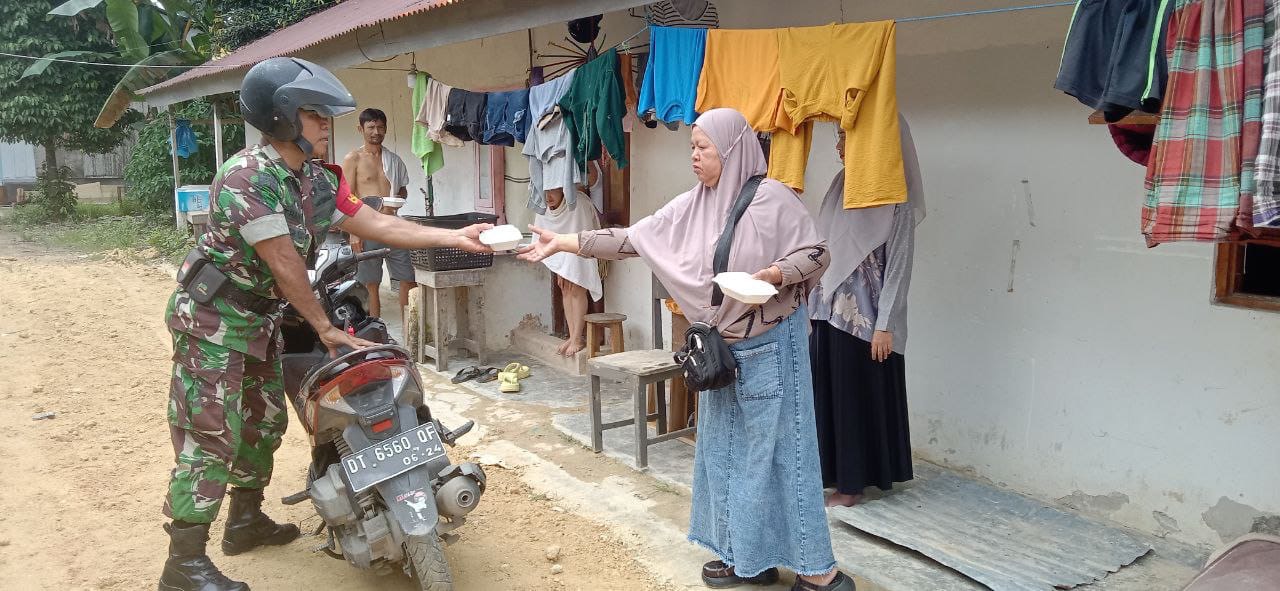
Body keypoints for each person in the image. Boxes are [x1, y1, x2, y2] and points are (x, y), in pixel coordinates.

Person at [159, 57, 491, 591]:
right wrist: (325, 328)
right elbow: (286, 263)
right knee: (212, 435)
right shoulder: (248, 177)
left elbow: (377, 222)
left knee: (264, 424)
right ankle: (183, 564)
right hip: (213, 321)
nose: (324, 124)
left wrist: (454, 238)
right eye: (314, 114)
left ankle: (244, 522)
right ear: (283, 116)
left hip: (259, 319)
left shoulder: (313, 180)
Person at [520, 108, 854, 591]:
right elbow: (633, 239)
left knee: (783, 454)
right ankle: (747, 557)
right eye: (691, 149)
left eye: (704, 149)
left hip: (771, 347)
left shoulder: (773, 199)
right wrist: (565, 242)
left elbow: (816, 254)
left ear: (734, 149)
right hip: (720, 353)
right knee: (722, 453)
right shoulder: (694, 204)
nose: (694, 157)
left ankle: (816, 571)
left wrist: (772, 275)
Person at [809, 122, 925, 508]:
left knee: (854, 399)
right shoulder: (842, 184)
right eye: (840, 138)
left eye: (849, 139)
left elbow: (899, 267)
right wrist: (811, 304)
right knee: (830, 394)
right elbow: (821, 246)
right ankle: (833, 475)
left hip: (866, 322)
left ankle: (852, 484)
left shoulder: (897, 195)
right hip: (828, 312)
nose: (840, 147)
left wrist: (886, 325)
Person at [341, 107, 416, 320]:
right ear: (361, 129)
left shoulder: (393, 160)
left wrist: (399, 198)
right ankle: (375, 330)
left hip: (392, 224)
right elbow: (346, 196)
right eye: (371, 127)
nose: (376, 132)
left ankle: (409, 331)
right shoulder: (353, 159)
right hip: (366, 226)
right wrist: (353, 232)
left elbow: (402, 189)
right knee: (370, 284)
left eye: (380, 127)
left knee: (408, 280)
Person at [536, 165, 604, 357]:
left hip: (580, 251)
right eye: (545, 191)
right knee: (565, 289)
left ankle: (577, 337)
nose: (548, 197)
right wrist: (561, 265)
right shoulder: (546, 208)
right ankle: (572, 335)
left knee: (576, 289)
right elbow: (545, 233)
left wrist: (569, 263)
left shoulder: (579, 203)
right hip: (563, 253)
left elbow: (581, 233)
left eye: (553, 191)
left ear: (563, 188)